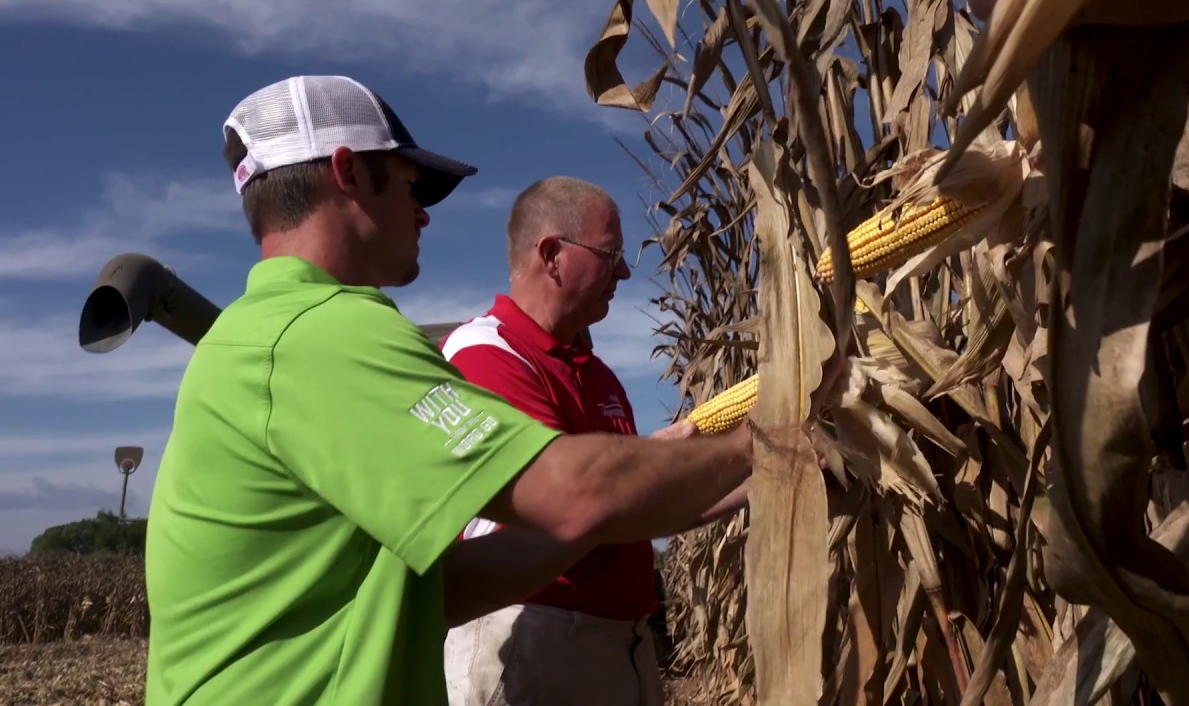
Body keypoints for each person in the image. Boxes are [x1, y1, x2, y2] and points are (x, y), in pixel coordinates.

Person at [141, 74, 789, 706]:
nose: (424, 213)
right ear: (347, 173)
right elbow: (574, 494)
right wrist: (772, 430)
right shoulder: (320, 333)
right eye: (411, 184)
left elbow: (442, 588)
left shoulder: (262, 335)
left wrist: (662, 481)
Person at [439, 177, 749, 706]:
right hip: (535, 639)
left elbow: (648, 512)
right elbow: (580, 507)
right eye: (611, 254)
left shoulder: (599, 376)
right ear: (552, 255)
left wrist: (775, 467)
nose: (626, 271)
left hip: (618, 644)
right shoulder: (484, 355)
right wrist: (744, 446)